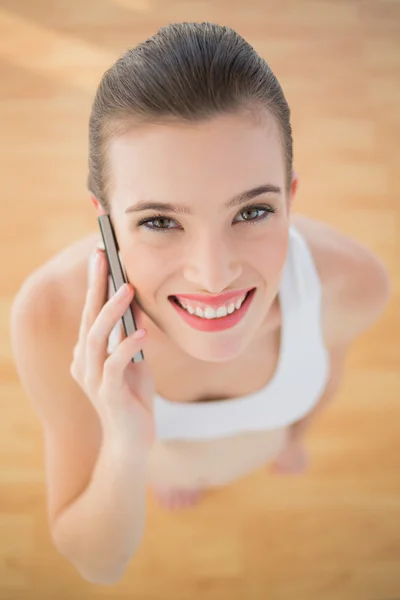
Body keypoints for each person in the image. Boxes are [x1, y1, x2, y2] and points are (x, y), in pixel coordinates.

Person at [10, 22, 390, 585]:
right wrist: (125, 447)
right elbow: (99, 562)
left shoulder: (353, 283)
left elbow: (328, 373)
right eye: (160, 221)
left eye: (252, 211)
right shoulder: (50, 318)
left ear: (289, 197)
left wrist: (294, 440)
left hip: (257, 452)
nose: (214, 276)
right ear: (104, 219)